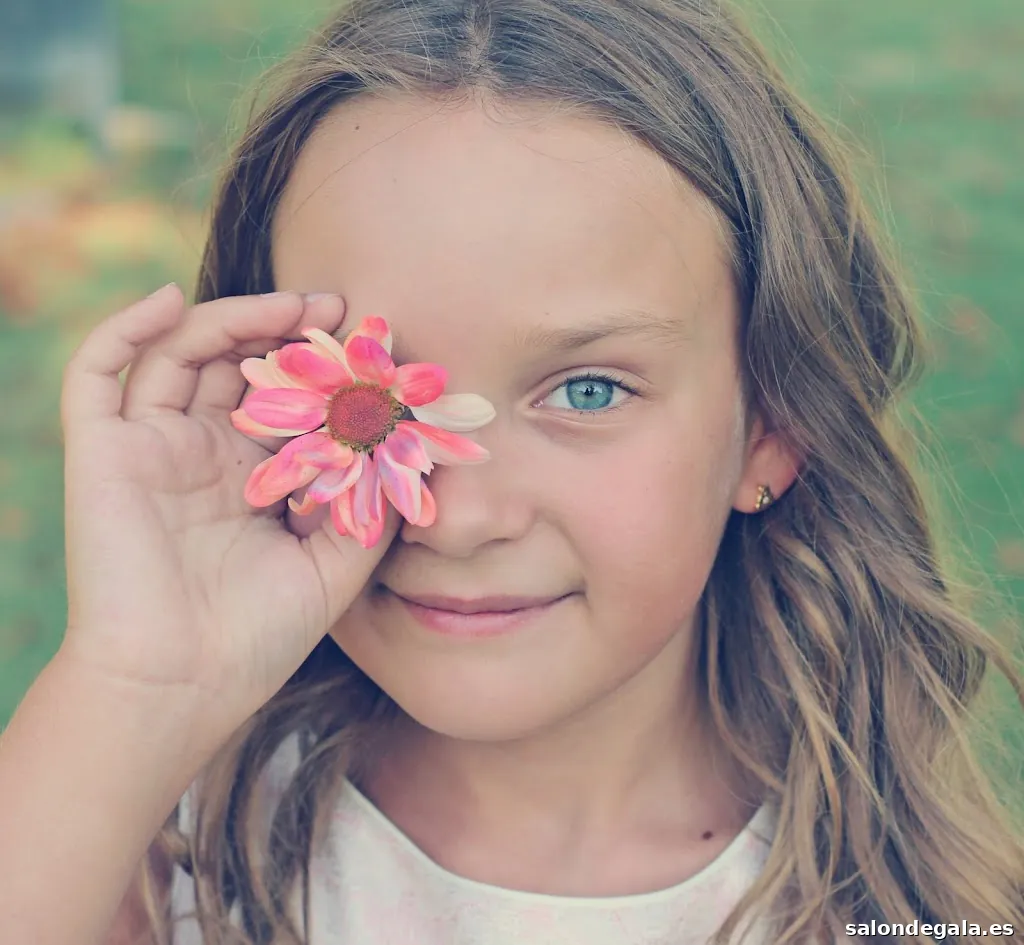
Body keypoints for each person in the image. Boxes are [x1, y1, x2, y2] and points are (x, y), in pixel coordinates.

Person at [2, 0, 1022, 942]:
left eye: (586, 392)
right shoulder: (161, 847)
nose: (455, 517)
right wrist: (136, 685)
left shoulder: (913, 909)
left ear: (773, 424)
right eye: (375, 402)